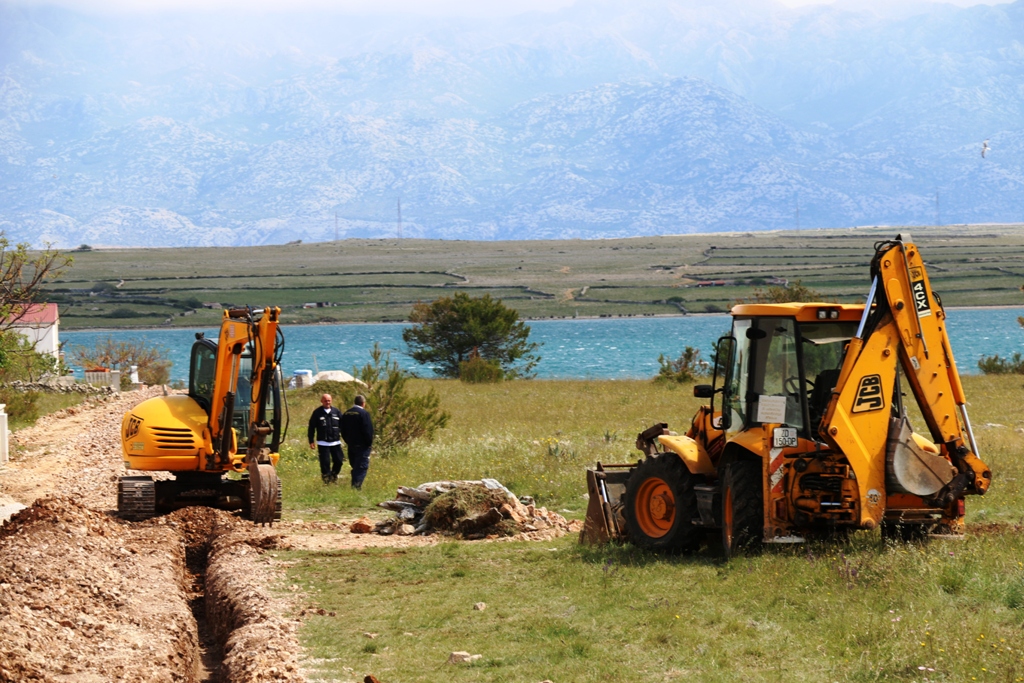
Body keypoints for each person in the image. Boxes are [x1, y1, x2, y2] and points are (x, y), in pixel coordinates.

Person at [308, 393, 343, 484]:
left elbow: (343, 425)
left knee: (339, 461)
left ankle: (333, 476)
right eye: (325, 401)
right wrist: (311, 441)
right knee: (325, 463)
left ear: (331, 401)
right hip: (323, 443)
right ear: (321, 401)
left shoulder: (336, 412)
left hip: (335, 442)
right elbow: (311, 427)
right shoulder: (317, 413)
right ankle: (327, 481)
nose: (327, 402)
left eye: (329, 400)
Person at [340, 394, 374, 489]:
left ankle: (354, 485)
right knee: (361, 467)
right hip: (362, 445)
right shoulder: (364, 414)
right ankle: (356, 487)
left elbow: (342, 430)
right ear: (363, 403)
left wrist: (348, 441)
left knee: (355, 466)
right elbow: (368, 430)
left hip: (351, 445)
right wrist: (369, 443)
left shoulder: (346, 413)